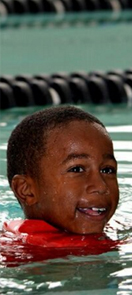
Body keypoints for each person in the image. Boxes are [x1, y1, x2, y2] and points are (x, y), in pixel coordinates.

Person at [2, 105, 119, 264]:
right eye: (77, 169)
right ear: (26, 190)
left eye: (107, 170)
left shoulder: (12, 234)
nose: (101, 186)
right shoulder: (35, 250)